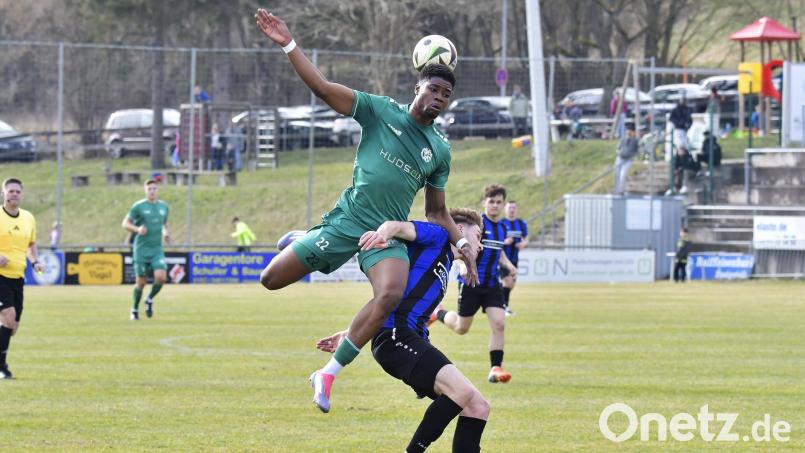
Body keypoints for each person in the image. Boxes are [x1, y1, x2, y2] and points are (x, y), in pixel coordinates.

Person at [253, 8, 479, 404]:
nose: (439, 99)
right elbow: (323, 89)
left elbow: (437, 213)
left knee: (391, 293)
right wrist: (288, 43)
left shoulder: (439, 151)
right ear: (418, 87)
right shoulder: (379, 111)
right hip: (347, 221)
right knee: (270, 279)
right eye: (434, 91)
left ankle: (327, 374)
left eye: (446, 95)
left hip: (384, 234)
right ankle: (306, 239)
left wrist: (463, 248)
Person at [314, 211, 490, 453]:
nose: (480, 245)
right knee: (461, 392)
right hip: (395, 337)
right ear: (458, 229)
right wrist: (382, 232)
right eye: (478, 236)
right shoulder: (438, 235)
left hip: (409, 338)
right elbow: (396, 226)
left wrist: (351, 332)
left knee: (478, 406)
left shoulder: (446, 261)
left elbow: (401, 300)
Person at [433, 184, 517, 383]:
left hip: (491, 284)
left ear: (503, 204)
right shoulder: (477, 224)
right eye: (491, 201)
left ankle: (495, 368)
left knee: (499, 323)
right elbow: (458, 243)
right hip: (470, 283)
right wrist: (462, 264)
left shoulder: (503, 227)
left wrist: (508, 263)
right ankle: (438, 313)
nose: (495, 205)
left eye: (499, 202)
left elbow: (499, 251)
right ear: (484, 203)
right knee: (462, 328)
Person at [0, 178, 44, 379]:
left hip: (18, 277)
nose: (14, 194)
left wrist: (35, 261)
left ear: (22, 194)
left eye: (17, 191)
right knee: (8, 317)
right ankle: (2, 367)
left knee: (13, 327)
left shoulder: (28, 218)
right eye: (11, 191)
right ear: (4, 193)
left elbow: (31, 244)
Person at [121, 180, 170, 321]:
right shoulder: (138, 206)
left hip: (156, 249)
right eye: (149, 188)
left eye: (155, 188)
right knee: (141, 282)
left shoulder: (164, 207)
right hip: (141, 249)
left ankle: (149, 299)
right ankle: (134, 309)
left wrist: (165, 233)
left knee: (161, 277)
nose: (152, 191)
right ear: (145, 190)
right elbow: (125, 223)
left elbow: (164, 223)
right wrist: (137, 229)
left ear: (158, 190)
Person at [500, 200, 528, 316]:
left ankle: (502, 304)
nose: (511, 210)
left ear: (516, 210)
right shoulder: (501, 223)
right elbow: (495, 239)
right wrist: (504, 241)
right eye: (509, 207)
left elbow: (526, 238)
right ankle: (504, 307)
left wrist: (523, 244)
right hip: (502, 258)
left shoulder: (521, 224)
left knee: (511, 284)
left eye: (513, 208)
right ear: (505, 209)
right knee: (508, 282)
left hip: (515, 258)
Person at [613, 124, 639, 195]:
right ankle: (616, 189)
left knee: (623, 174)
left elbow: (637, 150)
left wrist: (633, 156)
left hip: (628, 159)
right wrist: (619, 152)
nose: (629, 133)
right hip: (620, 158)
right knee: (616, 173)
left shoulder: (635, 140)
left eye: (630, 131)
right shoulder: (623, 139)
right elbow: (618, 147)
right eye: (628, 131)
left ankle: (621, 190)